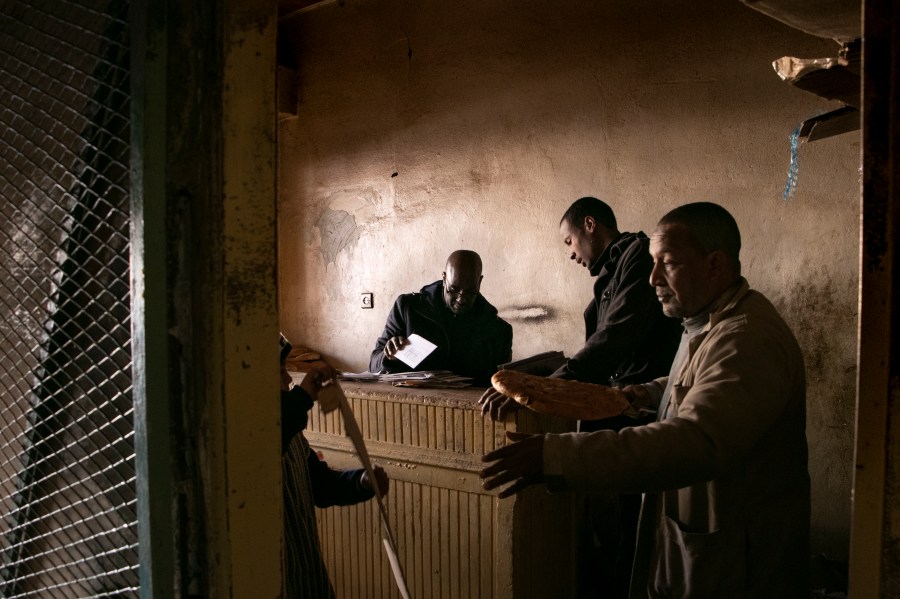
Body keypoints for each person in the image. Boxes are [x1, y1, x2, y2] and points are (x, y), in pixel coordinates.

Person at [480, 202, 810, 598]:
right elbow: (696, 379)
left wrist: (556, 456)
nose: (652, 279)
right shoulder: (707, 322)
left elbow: (696, 441)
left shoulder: (746, 339)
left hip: (739, 565)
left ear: (715, 264)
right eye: (653, 264)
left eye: (667, 263)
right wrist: (649, 392)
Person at [479, 197, 681, 598]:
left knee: (629, 534)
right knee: (613, 531)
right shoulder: (615, 268)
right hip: (626, 407)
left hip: (640, 412)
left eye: (569, 241)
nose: (570, 254)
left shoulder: (638, 255)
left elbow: (613, 340)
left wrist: (543, 390)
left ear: (590, 224)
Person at [280, 334, 389, 599]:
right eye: (279, 371)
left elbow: (322, 486)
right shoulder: (247, 444)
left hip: (306, 573)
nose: (287, 378)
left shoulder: (294, 436)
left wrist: (361, 482)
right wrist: (303, 396)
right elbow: (274, 433)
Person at [369, 249, 513, 385]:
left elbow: (503, 384)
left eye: (470, 291)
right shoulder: (408, 308)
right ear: (444, 278)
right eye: (454, 289)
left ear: (479, 282)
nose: (461, 298)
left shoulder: (498, 330)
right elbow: (373, 365)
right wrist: (389, 356)